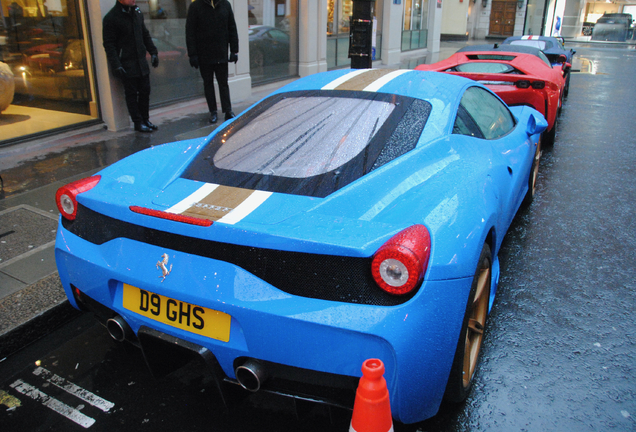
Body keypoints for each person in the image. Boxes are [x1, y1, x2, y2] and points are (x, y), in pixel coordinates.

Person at [103, 0, 159, 133]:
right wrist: (116, 64)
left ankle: (145, 119)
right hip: (126, 63)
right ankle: (138, 122)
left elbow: (144, 34)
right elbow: (109, 44)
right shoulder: (112, 17)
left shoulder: (136, 12)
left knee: (145, 91)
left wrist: (153, 52)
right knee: (132, 94)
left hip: (141, 62)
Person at [186, 0, 238, 124]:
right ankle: (213, 111)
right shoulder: (195, 7)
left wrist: (234, 51)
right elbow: (190, 32)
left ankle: (227, 110)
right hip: (204, 54)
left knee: (223, 83)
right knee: (208, 84)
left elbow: (232, 28)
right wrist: (192, 54)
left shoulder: (225, 4)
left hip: (221, 52)